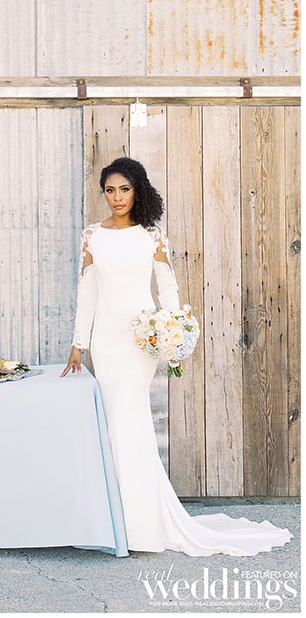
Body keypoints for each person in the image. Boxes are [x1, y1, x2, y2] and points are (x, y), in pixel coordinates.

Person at [61, 156, 293, 556]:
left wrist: (173, 335)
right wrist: (78, 342)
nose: (117, 197)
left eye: (124, 189)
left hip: (141, 338)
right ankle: (117, 522)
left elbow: (167, 289)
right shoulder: (92, 236)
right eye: (110, 190)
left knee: (129, 420)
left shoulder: (152, 235)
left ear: (137, 190)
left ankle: (139, 526)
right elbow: (88, 291)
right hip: (106, 342)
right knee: (113, 422)